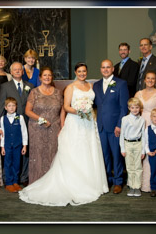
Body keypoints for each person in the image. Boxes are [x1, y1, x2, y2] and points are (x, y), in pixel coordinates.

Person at [21, 63, 109, 206]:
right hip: (76, 122)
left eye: (84, 71)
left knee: (89, 151)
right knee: (75, 152)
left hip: (88, 123)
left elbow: (92, 104)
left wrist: (88, 111)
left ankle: (91, 183)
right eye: (79, 71)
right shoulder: (70, 87)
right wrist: (79, 111)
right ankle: (75, 183)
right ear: (75, 72)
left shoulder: (91, 87)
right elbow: (66, 107)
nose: (82, 73)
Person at [93, 58, 129, 194]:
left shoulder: (121, 84)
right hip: (101, 126)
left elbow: (123, 108)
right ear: (101, 69)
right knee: (104, 155)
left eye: (108, 67)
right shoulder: (96, 85)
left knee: (116, 155)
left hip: (115, 127)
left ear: (112, 69)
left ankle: (118, 181)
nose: (106, 69)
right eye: (103, 67)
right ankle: (106, 180)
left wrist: (119, 125)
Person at [25, 68, 63, 182]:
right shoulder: (34, 92)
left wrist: (62, 127)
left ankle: (53, 182)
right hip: (37, 129)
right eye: (45, 75)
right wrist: (41, 119)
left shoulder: (58, 92)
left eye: (49, 75)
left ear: (52, 78)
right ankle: (37, 181)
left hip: (54, 129)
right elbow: (28, 111)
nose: (47, 77)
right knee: (39, 156)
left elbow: (62, 111)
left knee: (53, 154)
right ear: (40, 77)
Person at [134, 71, 156, 192]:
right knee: (140, 153)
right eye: (148, 78)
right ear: (144, 80)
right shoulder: (138, 93)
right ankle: (139, 183)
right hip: (139, 125)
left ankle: (155, 184)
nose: (150, 80)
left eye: (153, 79)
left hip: (154, 126)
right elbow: (133, 110)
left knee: (153, 155)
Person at [0, 96, 28, 193]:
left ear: (16, 107)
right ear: (5, 107)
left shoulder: (20, 117)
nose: (11, 108)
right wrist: (2, 147)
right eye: (9, 106)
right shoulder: (3, 119)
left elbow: (24, 132)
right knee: (7, 164)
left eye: (13, 106)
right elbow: (3, 134)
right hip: (7, 146)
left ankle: (15, 182)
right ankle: (9, 183)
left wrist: (24, 145)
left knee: (17, 164)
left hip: (17, 145)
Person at [119, 98, 148, 197]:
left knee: (138, 166)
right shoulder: (125, 119)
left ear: (140, 108)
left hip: (138, 144)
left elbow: (143, 135)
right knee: (130, 166)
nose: (135, 110)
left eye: (137, 107)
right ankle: (131, 186)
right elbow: (122, 134)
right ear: (129, 108)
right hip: (128, 144)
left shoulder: (142, 120)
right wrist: (122, 148)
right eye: (132, 108)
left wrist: (143, 150)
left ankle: (137, 187)